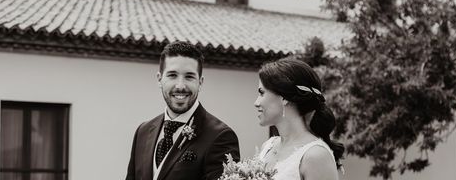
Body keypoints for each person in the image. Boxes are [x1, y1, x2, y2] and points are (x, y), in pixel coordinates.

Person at [125, 41, 240, 180]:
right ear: (159, 79)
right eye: (172, 75)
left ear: (200, 82)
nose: (180, 86)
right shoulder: (142, 132)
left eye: (189, 77)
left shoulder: (221, 137)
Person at [254, 58, 344, 180]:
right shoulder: (268, 147)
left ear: (284, 97)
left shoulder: (316, 155)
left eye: (261, 93)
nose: (256, 103)